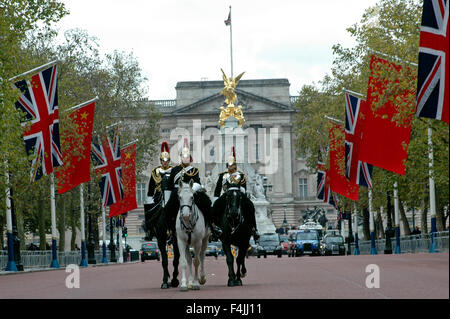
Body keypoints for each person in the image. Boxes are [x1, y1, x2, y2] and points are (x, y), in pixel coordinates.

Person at [164, 138, 222, 241]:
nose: (185, 159)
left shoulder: (194, 170)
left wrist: (191, 191)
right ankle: (169, 231)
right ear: (181, 157)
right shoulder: (174, 170)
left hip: (191, 192)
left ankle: (212, 227)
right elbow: (169, 187)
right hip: (177, 193)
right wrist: (166, 201)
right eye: (183, 157)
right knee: (168, 210)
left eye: (187, 157)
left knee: (206, 203)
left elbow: (197, 183)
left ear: (190, 158)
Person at [213, 147, 259, 240]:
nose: (231, 167)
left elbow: (244, 188)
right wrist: (215, 199)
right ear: (227, 166)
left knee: (250, 206)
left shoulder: (241, 175)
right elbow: (217, 189)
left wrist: (239, 191)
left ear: (235, 166)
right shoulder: (223, 175)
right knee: (215, 208)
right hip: (226, 195)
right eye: (229, 165)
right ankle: (215, 228)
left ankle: (254, 228)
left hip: (238, 195)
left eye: (233, 165)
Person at [144, 141, 173, 241]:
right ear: (160, 161)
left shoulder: (173, 170)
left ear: (169, 161)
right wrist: (149, 199)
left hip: (170, 195)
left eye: (166, 160)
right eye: (163, 160)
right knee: (149, 210)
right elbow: (151, 187)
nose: (165, 162)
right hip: (158, 195)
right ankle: (149, 231)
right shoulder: (155, 171)